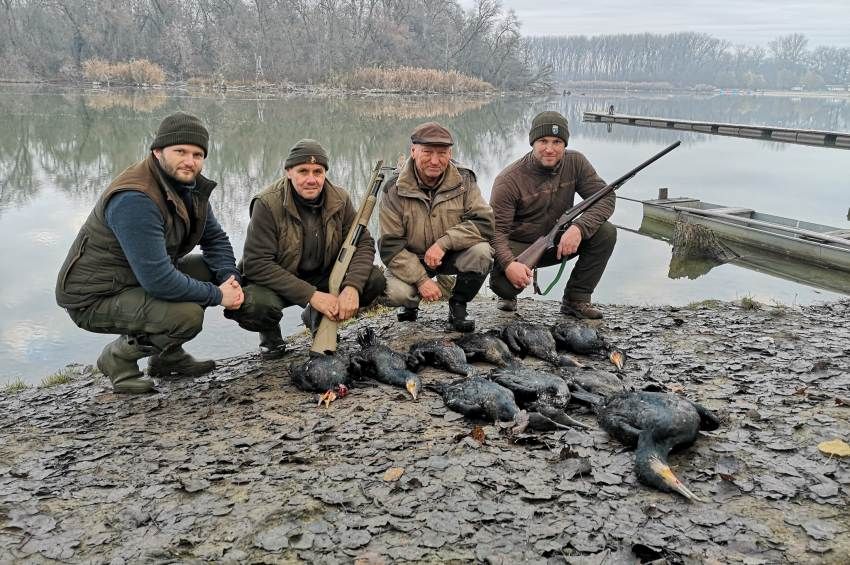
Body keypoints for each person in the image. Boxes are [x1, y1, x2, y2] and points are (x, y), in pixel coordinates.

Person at [55, 112, 244, 394]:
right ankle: (118, 359)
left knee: (208, 269)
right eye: (180, 151)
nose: (190, 161)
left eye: (197, 154)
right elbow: (159, 281)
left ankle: (167, 357)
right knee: (187, 315)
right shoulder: (135, 198)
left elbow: (215, 237)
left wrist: (230, 278)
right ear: (158, 151)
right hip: (95, 297)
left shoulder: (188, 185)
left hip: (135, 279)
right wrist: (218, 295)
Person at [224, 139, 386, 358]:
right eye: (303, 171)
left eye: (318, 171)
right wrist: (312, 295)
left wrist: (352, 287)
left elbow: (363, 243)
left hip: (322, 275)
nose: (312, 179)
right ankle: (270, 334)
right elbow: (256, 264)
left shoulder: (340, 198)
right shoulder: (266, 203)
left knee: (373, 279)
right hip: (277, 281)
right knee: (255, 306)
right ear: (289, 172)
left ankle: (317, 317)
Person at [489, 111, 617, 319]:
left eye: (557, 141)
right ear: (532, 143)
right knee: (505, 286)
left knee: (606, 232)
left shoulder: (576, 162)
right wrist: (509, 264)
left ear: (565, 144)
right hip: (519, 246)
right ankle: (507, 295)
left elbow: (605, 198)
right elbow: (495, 232)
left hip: (559, 241)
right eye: (543, 141)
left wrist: (579, 228)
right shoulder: (508, 180)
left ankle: (576, 299)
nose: (550, 149)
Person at [379, 122, 494, 332]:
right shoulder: (393, 189)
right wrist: (422, 280)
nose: (435, 160)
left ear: (450, 153)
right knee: (394, 292)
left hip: (451, 254)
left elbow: (483, 222)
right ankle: (410, 304)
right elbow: (390, 247)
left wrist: (444, 243)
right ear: (413, 151)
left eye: (442, 153)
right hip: (412, 259)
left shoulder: (465, 180)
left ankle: (458, 305)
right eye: (427, 152)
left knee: (482, 253)